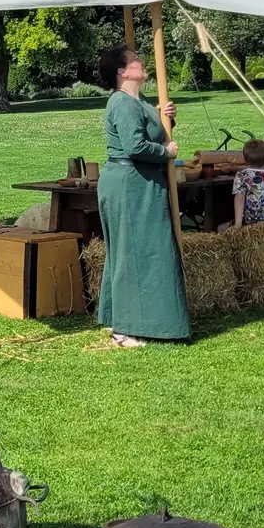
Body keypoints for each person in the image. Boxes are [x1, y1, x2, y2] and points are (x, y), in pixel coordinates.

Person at [95, 45, 190, 348]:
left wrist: (167, 120)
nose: (141, 61)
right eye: (134, 60)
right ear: (122, 72)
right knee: (132, 252)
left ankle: (143, 320)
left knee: (149, 250)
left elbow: (150, 133)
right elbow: (135, 146)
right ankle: (124, 328)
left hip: (143, 182)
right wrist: (167, 152)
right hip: (128, 182)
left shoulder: (140, 102)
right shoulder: (121, 103)